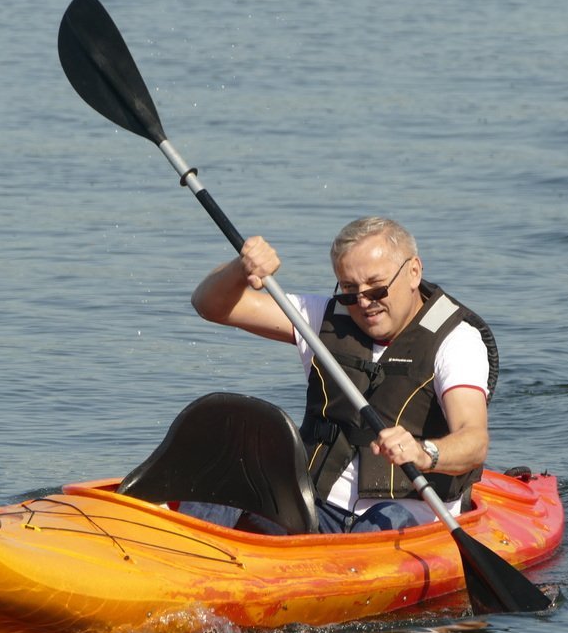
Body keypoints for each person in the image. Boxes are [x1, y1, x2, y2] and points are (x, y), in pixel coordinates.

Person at [191, 216, 498, 533]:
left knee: (389, 517)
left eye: (377, 288)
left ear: (413, 272)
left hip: (403, 519)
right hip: (313, 509)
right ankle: (183, 552)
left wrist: (425, 453)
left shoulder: (456, 341)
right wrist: (240, 270)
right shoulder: (322, 318)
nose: (364, 303)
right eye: (350, 291)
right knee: (228, 464)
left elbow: (474, 440)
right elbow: (210, 305)